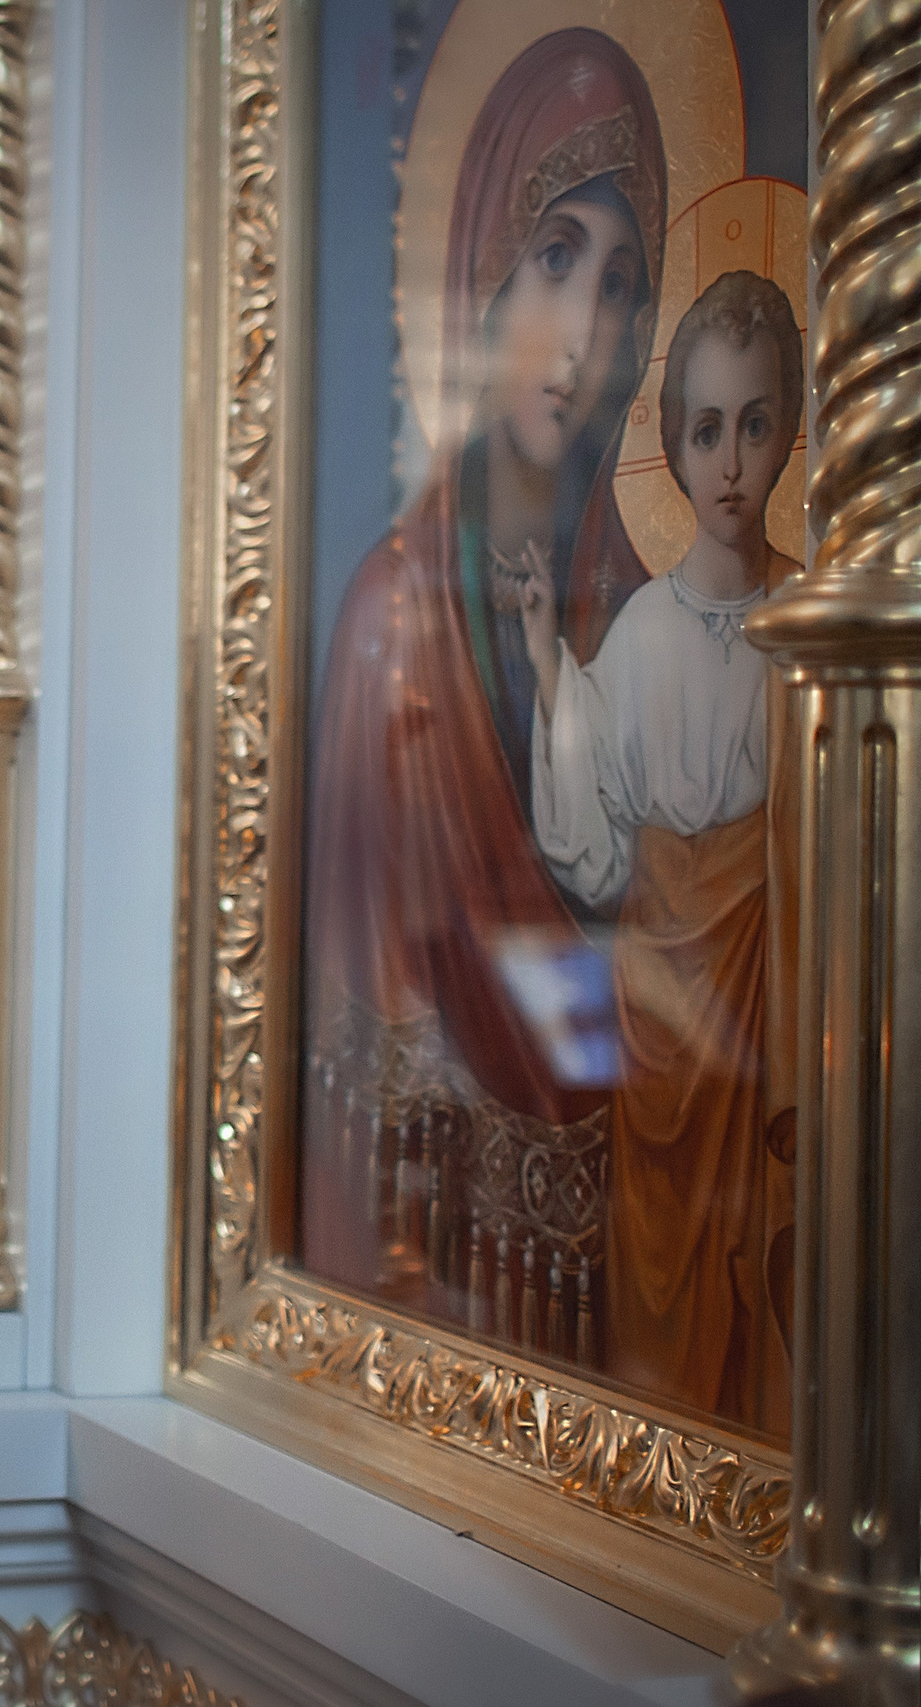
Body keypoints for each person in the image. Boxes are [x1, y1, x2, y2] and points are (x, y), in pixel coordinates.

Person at [301, 28, 666, 1293]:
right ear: (481, 278)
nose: (581, 330)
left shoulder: (641, 606)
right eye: (554, 259)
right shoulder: (392, 627)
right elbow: (380, 1063)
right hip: (447, 1267)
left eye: (618, 282)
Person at [518, 270, 800, 1430]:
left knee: (762, 1246)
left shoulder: (812, 621)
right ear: (672, 450)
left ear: (790, 431)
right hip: (660, 1008)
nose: (729, 460)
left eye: (753, 423)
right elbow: (592, 836)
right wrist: (545, 662)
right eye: (704, 429)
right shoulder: (640, 632)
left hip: (771, 991)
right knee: (661, 1272)